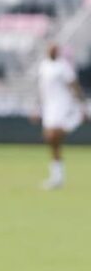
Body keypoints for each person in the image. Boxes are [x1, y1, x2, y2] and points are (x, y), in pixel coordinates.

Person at [35, 42, 84, 189]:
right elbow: (41, 88)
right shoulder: (43, 66)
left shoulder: (63, 66)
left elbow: (73, 84)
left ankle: (76, 119)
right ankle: (57, 177)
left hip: (62, 105)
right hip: (48, 106)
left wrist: (80, 102)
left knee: (53, 136)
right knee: (51, 140)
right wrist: (37, 107)